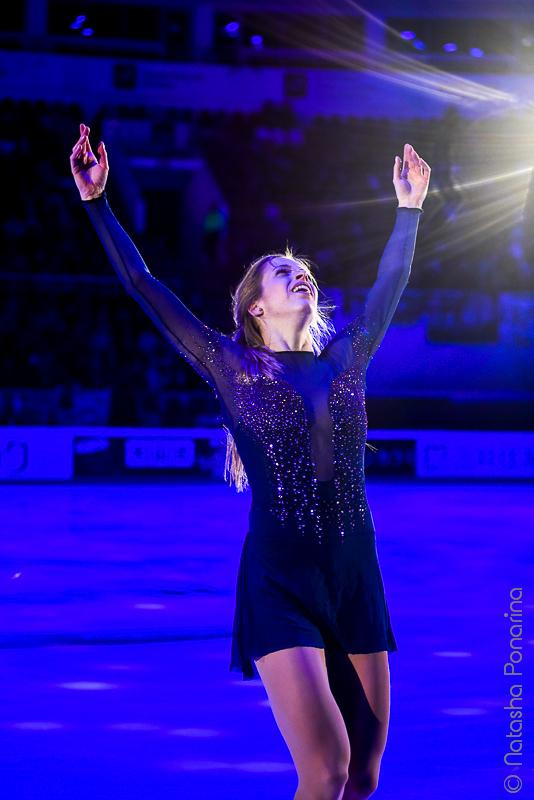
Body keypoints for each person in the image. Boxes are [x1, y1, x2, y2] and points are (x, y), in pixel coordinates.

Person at [70, 123, 430, 800]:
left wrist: (408, 210)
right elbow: (142, 283)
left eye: (302, 269)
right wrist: (97, 203)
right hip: (280, 580)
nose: (298, 273)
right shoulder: (233, 368)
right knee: (324, 769)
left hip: (357, 573)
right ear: (256, 305)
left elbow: (391, 281)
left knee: (362, 775)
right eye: (280, 271)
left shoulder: (346, 358)